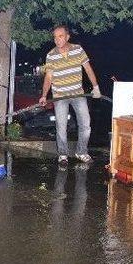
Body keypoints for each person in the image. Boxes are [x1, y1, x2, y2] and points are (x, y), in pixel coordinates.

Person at [39, 25, 100, 164]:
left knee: (85, 125)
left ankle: (81, 151)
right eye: (55, 37)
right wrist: (44, 95)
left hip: (78, 94)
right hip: (60, 96)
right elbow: (48, 77)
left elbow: (88, 69)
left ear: (67, 37)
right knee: (61, 126)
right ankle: (63, 154)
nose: (57, 39)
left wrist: (96, 87)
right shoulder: (51, 55)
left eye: (60, 36)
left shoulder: (78, 50)